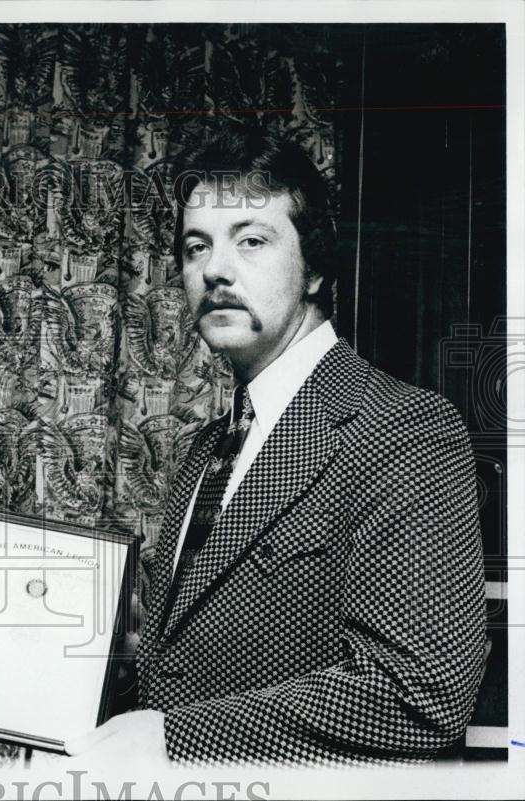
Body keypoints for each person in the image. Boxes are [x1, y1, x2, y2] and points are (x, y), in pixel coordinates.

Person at [66, 130, 487, 765]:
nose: (214, 269)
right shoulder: (209, 446)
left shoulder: (404, 426)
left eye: (252, 240)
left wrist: (176, 741)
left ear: (314, 268)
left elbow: (418, 693)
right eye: (195, 246)